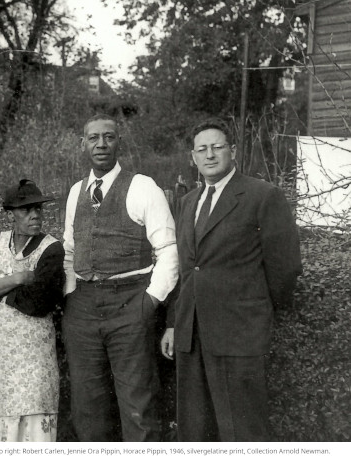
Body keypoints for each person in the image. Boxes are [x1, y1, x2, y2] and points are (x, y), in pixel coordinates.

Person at [161, 118, 302, 442]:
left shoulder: (262, 196)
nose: (210, 155)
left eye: (217, 147)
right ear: (192, 157)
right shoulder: (187, 203)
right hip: (192, 336)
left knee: (243, 432)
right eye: (202, 149)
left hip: (239, 336)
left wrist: (256, 316)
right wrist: (174, 323)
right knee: (195, 432)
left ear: (233, 151)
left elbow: (285, 267)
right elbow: (187, 271)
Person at [62, 114, 179, 441]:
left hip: (130, 303)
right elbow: (70, 250)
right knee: (87, 405)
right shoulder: (75, 192)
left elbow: (169, 249)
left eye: (109, 137)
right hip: (82, 308)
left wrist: (149, 301)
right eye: (94, 137)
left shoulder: (143, 187)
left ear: (119, 142)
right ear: (82, 143)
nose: (101, 144)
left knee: (137, 403)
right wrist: (72, 294)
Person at [0, 179, 65, 442]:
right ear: (10, 214)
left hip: (33, 361)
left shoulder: (52, 249)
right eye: (25, 210)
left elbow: (38, 302)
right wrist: (18, 278)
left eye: (38, 209)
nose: (35, 215)